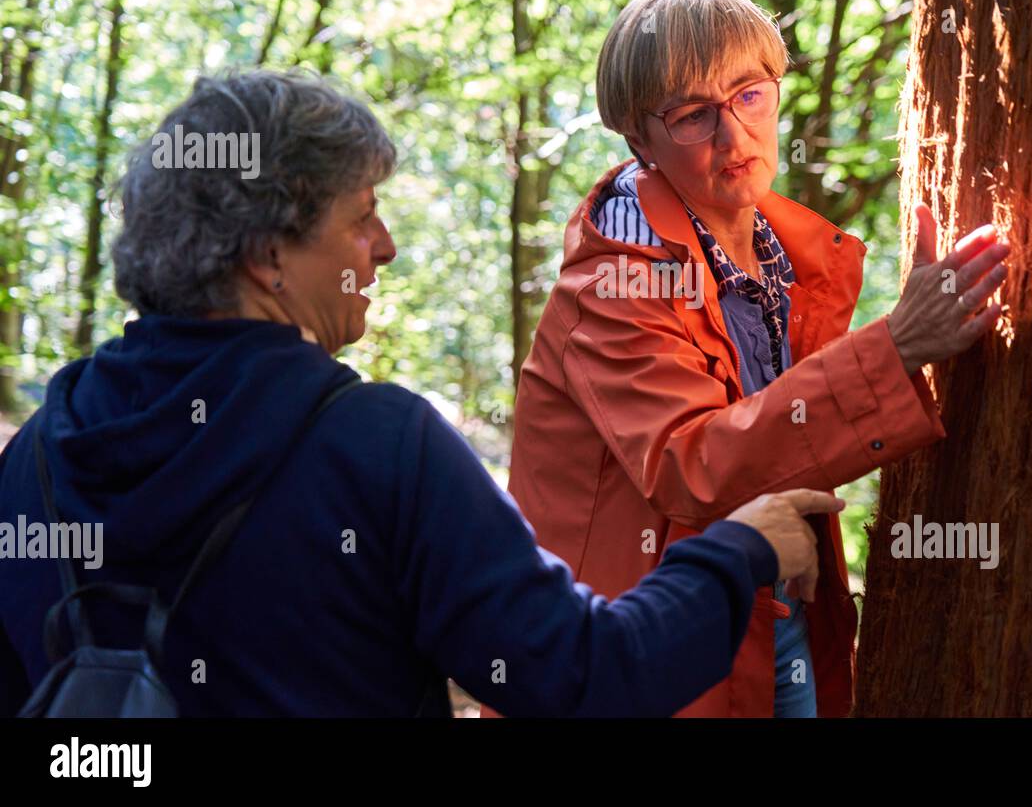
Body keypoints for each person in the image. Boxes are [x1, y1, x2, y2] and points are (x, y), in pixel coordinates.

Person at [0, 70, 843, 717]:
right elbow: (586, 676)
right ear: (266, 257)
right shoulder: (375, 447)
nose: (385, 246)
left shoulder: (38, 454)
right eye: (360, 217)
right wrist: (741, 551)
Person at [502, 0, 1012, 718]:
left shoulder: (785, 256)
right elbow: (693, 462)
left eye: (749, 95)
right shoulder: (611, 287)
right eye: (692, 114)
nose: (734, 136)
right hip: (651, 657)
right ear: (638, 137)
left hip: (775, 616)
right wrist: (893, 349)